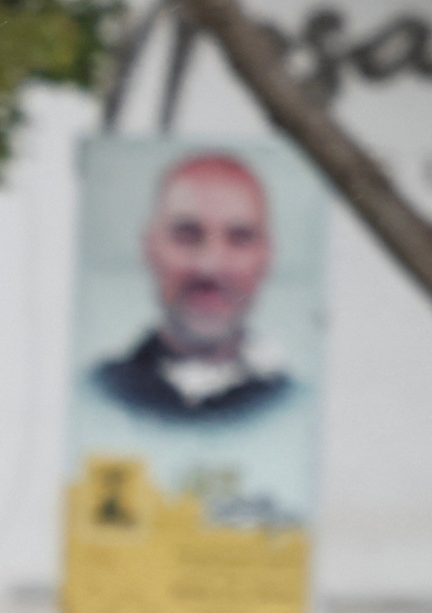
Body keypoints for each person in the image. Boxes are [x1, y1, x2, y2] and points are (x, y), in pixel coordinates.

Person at [87, 150, 304, 425]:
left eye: (239, 239)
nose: (210, 266)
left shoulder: (293, 406)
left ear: (266, 256)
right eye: (187, 236)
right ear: (150, 247)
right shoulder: (98, 393)